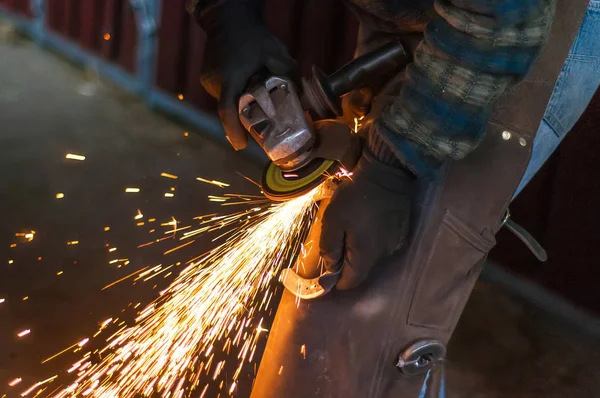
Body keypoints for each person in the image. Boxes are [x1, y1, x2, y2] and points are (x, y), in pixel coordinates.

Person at [187, 0, 557, 290]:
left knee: (401, 282)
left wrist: (391, 167)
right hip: (405, 13)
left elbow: (508, 18)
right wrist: (226, 12)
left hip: (511, 32)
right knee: (353, 245)